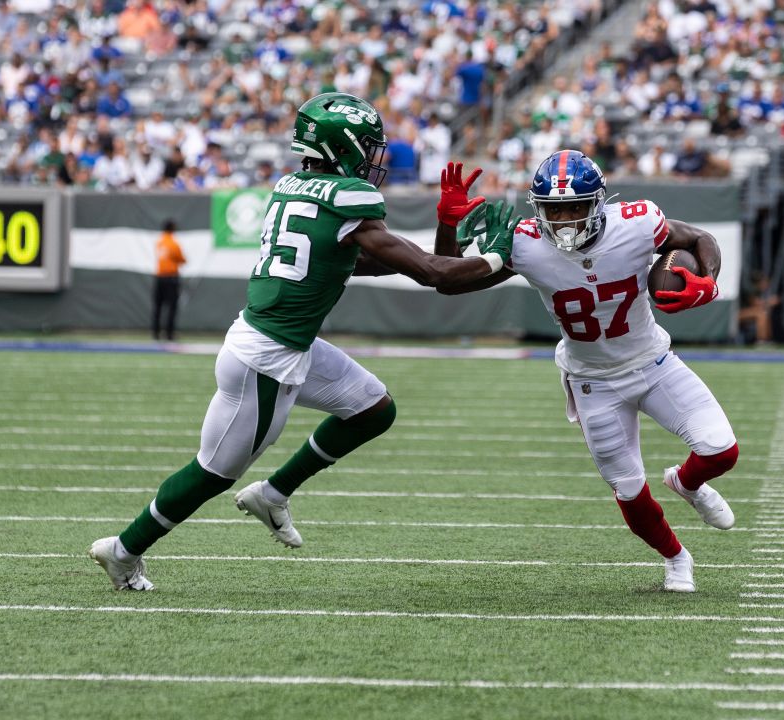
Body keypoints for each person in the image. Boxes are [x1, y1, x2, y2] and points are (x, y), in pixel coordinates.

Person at [89, 93, 513, 590]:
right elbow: (434, 275)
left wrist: (445, 229)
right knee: (213, 474)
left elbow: (412, 267)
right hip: (267, 359)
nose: (375, 159)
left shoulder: (295, 188)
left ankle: (272, 493)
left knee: (374, 408)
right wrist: (498, 258)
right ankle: (122, 550)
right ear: (344, 145)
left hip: (287, 343)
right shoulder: (347, 198)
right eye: (369, 147)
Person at [437, 150, 739, 593]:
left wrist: (708, 280)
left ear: (598, 203)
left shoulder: (636, 223)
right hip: (592, 380)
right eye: (554, 211)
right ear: (538, 210)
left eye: (575, 207)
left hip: (652, 362)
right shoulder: (524, 242)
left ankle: (686, 483)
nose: (564, 221)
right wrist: (447, 225)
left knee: (722, 451)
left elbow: (698, 238)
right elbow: (448, 279)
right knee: (629, 489)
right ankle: (677, 560)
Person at [152, 219, 186, 341]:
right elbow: (182, 259)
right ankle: (169, 333)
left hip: (159, 277)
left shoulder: (159, 242)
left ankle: (155, 333)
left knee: (158, 306)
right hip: (171, 278)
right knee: (172, 307)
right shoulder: (173, 243)